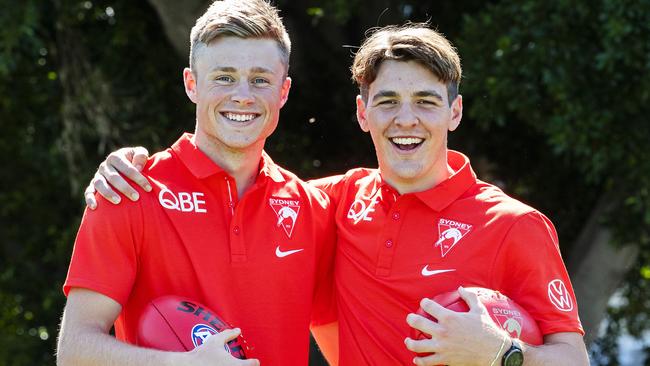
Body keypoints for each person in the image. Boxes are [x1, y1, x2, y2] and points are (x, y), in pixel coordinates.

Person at [83, 23, 589, 366]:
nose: (405, 119)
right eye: (387, 101)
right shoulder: (334, 202)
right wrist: (125, 166)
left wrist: (500, 352)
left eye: (426, 102)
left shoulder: (514, 224)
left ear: (454, 113)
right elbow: (239, 189)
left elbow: (573, 357)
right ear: (362, 113)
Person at [57, 1, 337, 365]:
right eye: (224, 77)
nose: (243, 95)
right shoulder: (129, 190)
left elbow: (345, 350)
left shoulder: (313, 208)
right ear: (192, 84)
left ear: (283, 92)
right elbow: (75, 350)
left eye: (260, 80)